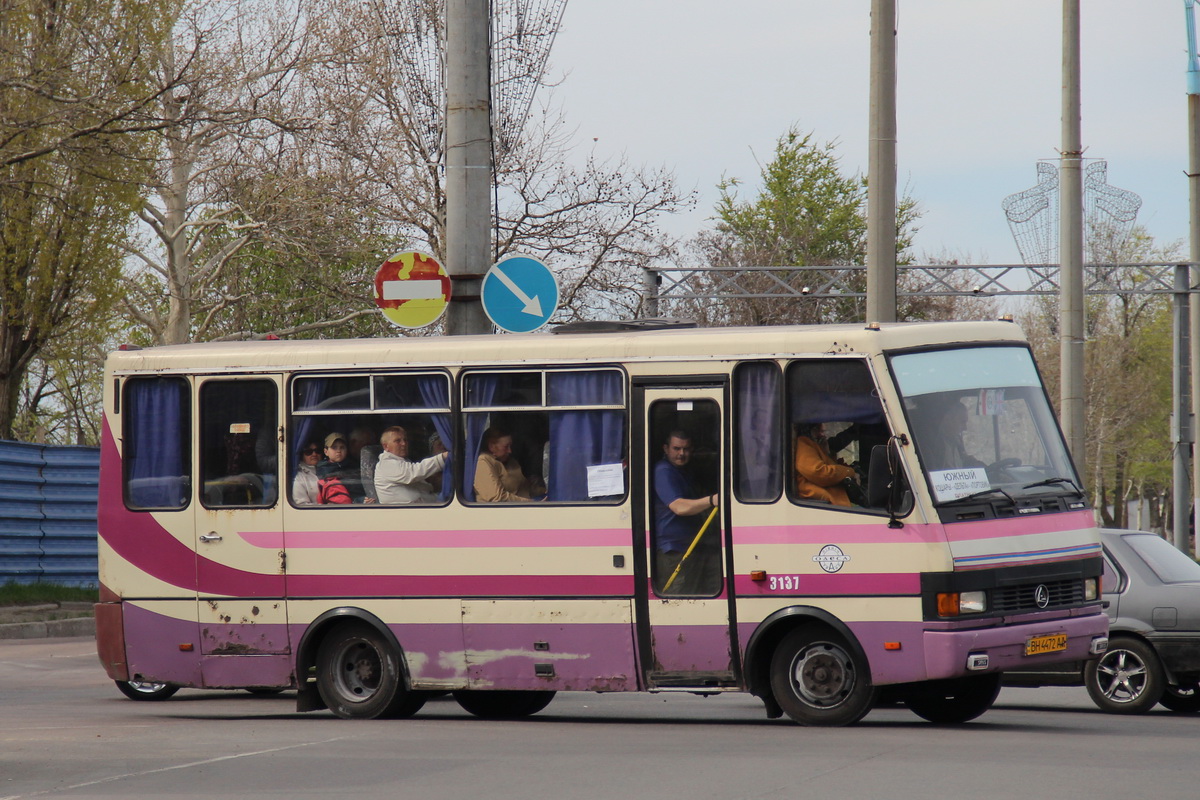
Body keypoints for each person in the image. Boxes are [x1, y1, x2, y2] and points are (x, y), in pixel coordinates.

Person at [652, 431, 720, 595]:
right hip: (673, 551)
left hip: (689, 545)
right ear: (666, 448)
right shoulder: (663, 471)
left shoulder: (682, 471)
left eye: (686, 449)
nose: (681, 454)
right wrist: (712, 500)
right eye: (676, 448)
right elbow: (679, 507)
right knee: (678, 598)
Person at [374, 426, 449, 504]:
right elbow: (413, 473)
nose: (404, 443)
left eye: (405, 440)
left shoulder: (402, 462)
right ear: (386, 446)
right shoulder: (386, 464)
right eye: (397, 441)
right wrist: (443, 457)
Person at [794, 422, 860, 506]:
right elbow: (820, 473)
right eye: (817, 429)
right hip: (823, 502)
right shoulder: (804, 444)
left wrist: (827, 452)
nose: (822, 434)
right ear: (808, 430)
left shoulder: (815, 446)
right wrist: (850, 472)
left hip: (833, 498)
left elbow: (831, 466)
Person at [474, 427, 543, 502]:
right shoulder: (483, 461)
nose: (510, 451)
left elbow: (524, 487)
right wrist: (531, 503)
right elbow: (497, 498)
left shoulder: (511, 462)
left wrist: (542, 491)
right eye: (506, 447)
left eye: (510, 446)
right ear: (492, 446)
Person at [924, 399, 984, 471]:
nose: (965, 428)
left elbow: (965, 462)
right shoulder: (933, 446)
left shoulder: (957, 443)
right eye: (962, 422)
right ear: (948, 419)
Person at [317, 432, 375, 504]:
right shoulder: (324, 471)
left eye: (342, 447)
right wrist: (359, 500)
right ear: (326, 452)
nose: (339, 451)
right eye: (334, 447)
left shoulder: (354, 465)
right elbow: (341, 496)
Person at [291, 440, 322, 505]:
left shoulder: (331, 469)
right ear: (302, 455)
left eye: (318, 451)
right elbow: (301, 504)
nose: (314, 454)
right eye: (309, 452)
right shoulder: (299, 477)